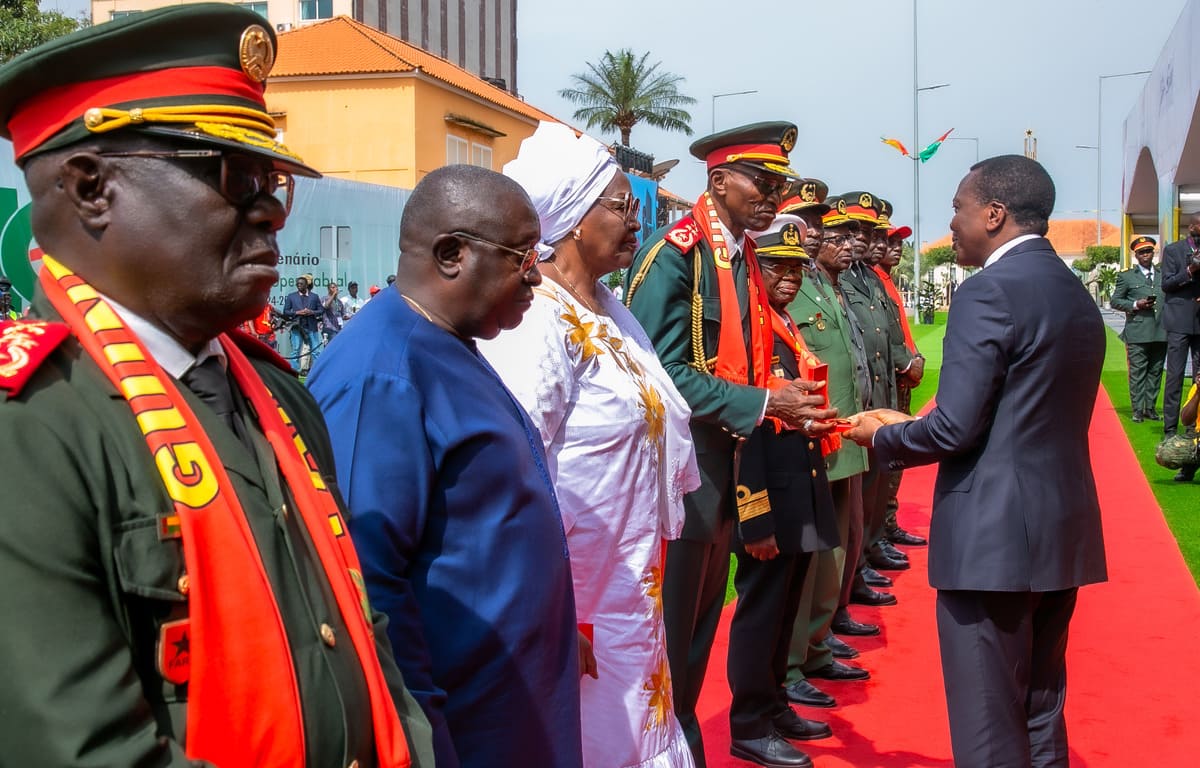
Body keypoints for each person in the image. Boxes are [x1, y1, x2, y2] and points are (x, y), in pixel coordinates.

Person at [0, 6, 434, 766]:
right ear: (91, 188)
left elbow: (365, 642)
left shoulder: (274, 392)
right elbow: (82, 748)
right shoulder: (31, 423)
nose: (270, 210)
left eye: (274, 183)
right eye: (235, 177)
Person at [308, 164, 583, 768]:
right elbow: (370, 582)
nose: (536, 274)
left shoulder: (447, 342)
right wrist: (422, 738)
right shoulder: (382, 373)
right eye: (522, 255)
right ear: (453, 253)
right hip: (463, 724)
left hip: (514, 695)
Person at [846, 155, 1108, 767]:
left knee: (989, 725)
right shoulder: (1070, 290)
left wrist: (882, 436)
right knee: (1041, 711)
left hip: (992, 542)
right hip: (1061, 528)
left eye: (959, 209)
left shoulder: (988, 291)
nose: (953, 222)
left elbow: (955, 428)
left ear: (994, 214)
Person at [479, 121, 698, 768]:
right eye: (622, 206)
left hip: (630, 575)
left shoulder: (608, 310)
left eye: (638, 207)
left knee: (638, 720)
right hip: (575, 595)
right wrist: (548, 607)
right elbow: (518, 471)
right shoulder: (536, 318)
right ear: (572, 218)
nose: (639, 220)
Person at [623, 121, 835, 768]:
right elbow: (654, 371)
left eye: (779, 185)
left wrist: (784, 399)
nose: (773, 197)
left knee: (696, 641)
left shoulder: (738, 256)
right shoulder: (677, 253)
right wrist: (765, 402)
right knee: (673, 644)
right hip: (685, 477)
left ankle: (686, 746)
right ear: (717, 181)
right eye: (763, 183)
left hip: (727, 471)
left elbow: (738, 362)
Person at [727, 214, 840, 768]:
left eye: (797, 267)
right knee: (760, 611)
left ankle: (774, 706)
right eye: (777, 266)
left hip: (800, 480)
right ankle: (748, 723)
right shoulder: (748, 331)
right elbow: (744, 432)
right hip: (767, 493)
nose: (790, 278)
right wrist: (756, 518)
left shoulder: (783, 325)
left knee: (786, 607)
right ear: (753, 268)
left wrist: (814, 424)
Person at [782, 194, 873, 712]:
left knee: (834, 549)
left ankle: (815, 646)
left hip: (841, 433)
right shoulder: (795, 281)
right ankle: (793, 662)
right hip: (811, 435)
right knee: (812, 554)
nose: (815, 232)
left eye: (819, 223)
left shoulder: (828, 282)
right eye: (808, 223)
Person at [874, 221, 928, 547]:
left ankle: (887, 524)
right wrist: (907, 363)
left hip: (900, 380)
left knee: (896, 458)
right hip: (890, 378)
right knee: (886, 458)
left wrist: (913, 357)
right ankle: (880, 530)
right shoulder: (871, 281)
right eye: (888, 241)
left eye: (899, 243)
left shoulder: (886, 280)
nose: (895, 247)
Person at [1111, 236, 1168, 422]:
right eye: (1142, 252)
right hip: (1138, 331)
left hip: (1160, 331)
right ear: (1136, 255)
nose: (1146, 255)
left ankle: (1150, 408)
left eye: (1149, 251)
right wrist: (1136, 304)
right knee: (1137, 372)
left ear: (1154, 253)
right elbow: (1115, 301)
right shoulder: (1127, 276)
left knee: (1156, 371)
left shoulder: (1162, 274)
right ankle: (1137, 409)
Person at [1160, 212, 1200, 446]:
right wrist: (1189, 271)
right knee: (1174, 375)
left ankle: (1194, 425)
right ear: (1191, 226)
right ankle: (1170, 427)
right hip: (1178, 321)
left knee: (1198, 376)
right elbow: (1166, 284)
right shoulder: (1174, 250)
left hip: (1199, 321)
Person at [282, 273, 322, 373]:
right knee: (295, 350)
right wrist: (297, 312)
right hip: (297, 327)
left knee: (315, 351)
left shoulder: (314, 296)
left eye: (301, 284)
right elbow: (285, 311)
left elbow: (321, 310)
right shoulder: (292, 296)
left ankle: (315, 373)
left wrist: (312, 312)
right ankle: (294, 372)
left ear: (306, 285)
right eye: (297, 284)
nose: (298, 285)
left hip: (311, 327)